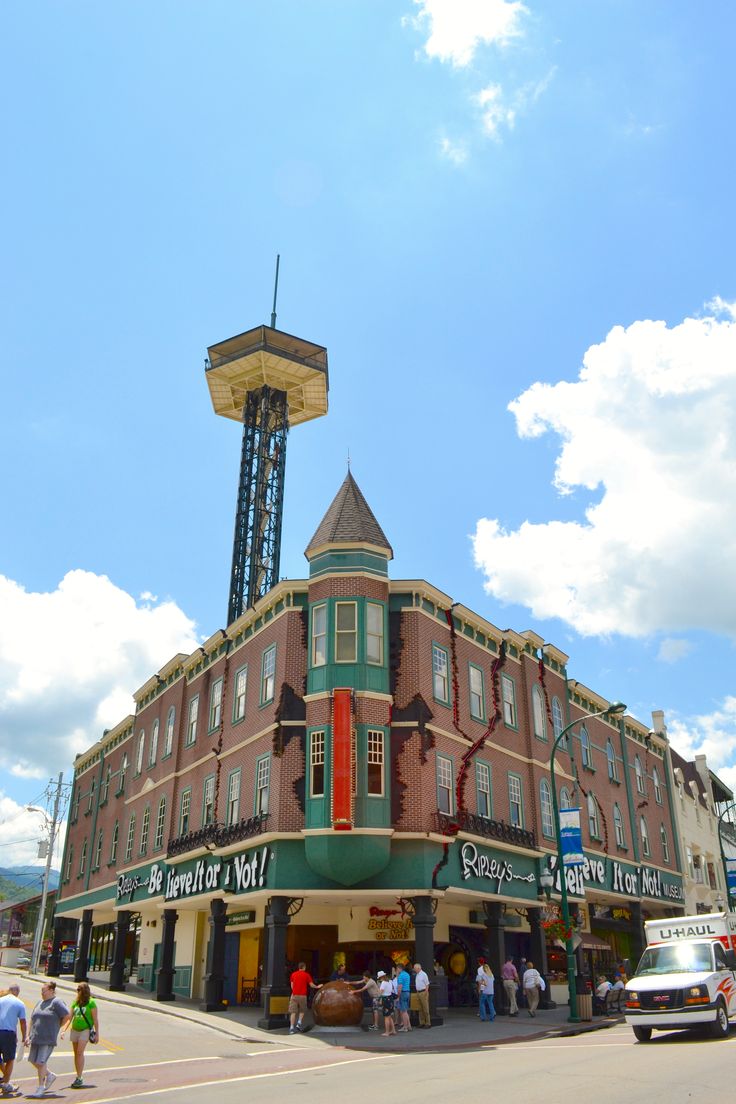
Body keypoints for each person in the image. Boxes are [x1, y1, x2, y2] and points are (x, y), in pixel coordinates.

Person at [25, 981, 70, 1098]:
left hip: (47, 1038)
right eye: (41, 991)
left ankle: (41, 1087)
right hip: (36, 1037)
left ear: (51, 990)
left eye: (44, 991)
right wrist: (27, 1035)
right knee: (33, 1060)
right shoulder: (40, 1002)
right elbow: (32, 1018)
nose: (42, 993)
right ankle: (50, 1075)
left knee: (41, 1062)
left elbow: (67, 1015)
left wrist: (58, 1027)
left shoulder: (56, 1002)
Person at [59, 981, 99, 1089]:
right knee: (76, 1054)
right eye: (77, 989)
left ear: (85, 991)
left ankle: (80, 1077)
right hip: (75, 1029)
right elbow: (69, 1017)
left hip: (85, 1030)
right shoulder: (75, 1002)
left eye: (79, 989)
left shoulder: (91, 1003)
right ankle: (78, 1075)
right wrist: (64, 1030)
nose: (78, 991)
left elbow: (95, 1020)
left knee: (80, 1052)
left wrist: (97, 1034)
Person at [0, 983, 28, 1096]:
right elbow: (22, 1022)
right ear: (17, 992)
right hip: (8, 1033)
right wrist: (24, 1036)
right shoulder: (19, 1003)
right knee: (10, 1059)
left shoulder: (1, 1000)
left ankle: (5, 1078)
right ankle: (6, 1083)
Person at [288, 961, 322, 1034]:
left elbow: (292, 985)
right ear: (304, 967)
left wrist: (294, 992)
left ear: (298, 967)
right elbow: (311, 985)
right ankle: (299, 1023)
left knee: (293, 1012)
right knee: (302, 1010)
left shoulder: (293, 974)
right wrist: (317, 986)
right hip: (303, 996)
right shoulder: (306, 975)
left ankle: (291, 1028)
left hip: (294, 995)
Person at [377, 971, 396, 1036]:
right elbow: (392, 989)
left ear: (381, 977)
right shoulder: (390, 981)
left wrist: (378, 996)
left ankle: (387, 1032)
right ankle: (393, 1030)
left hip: (385, 999)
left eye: (379, 978)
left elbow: (381, 992)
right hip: (390, 999)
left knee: (386, 1017)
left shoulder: (383, 983)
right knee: (389, 1016)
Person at [413, 963, 430, 1028]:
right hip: (418, 992)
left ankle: (428, 1023)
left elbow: (427, 984)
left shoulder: (424, 974)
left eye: (415, 968)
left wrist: (426, 993)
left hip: (423, 992)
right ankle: (422, 1022)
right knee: (420, 1009)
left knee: (425, 1008)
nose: (414, 969)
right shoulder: (417, 975)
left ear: (418, 968)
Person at [395, 962, 412, 1031]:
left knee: (403, 1011)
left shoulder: (400, 976)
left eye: (397, 969)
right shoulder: (407, 974)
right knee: (405, 1010)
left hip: (403, 993)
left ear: (399, 968)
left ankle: (405, 1027)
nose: (397, 970)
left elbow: (400, 987)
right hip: (407, 992)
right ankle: (408, 1026)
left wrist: (398, 996)